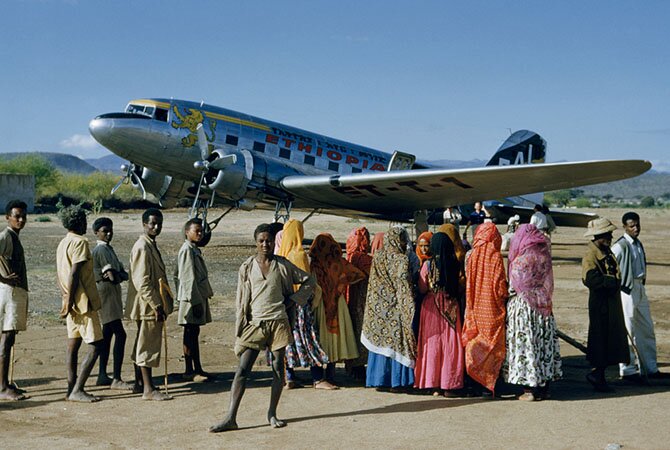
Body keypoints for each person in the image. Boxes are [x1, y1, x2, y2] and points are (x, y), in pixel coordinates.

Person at [209, 223, 316, 432]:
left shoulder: (283, 265)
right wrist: (241, 326)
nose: (265, 244)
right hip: (255, 323)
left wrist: (294, 299)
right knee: (242, 370)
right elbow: (241, 300)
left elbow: (310, 280)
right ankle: (230, 417)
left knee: (278, 368)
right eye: (261, 241)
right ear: (255, 242)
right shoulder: (247, 267)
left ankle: (272, 413)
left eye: (268, 240)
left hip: (278, 323)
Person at [503, 224, 562, 401]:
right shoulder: (543, 258)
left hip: (523, 308)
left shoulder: (520, 261)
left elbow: (514, 287)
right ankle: (544, 387)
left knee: (525, 345)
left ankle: (528, 389)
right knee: (542, 343)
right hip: (542, 305)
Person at [611, 212, 669, 382]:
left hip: (639, 287)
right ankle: (628, 370)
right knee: (628, 329)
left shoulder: (638, 244)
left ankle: (650, 367)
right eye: (631, 226)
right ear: (625, 227)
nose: (635, 228)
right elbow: (611, 263)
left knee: (646, 328)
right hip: (626, 290)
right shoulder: (620, 246)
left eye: (637, 225)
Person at [56, 204, 104, 402]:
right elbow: (75, 272)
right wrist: (70, 298)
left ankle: (71, 387)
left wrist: (66, 298)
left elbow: (61, 273)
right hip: (81, 301)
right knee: (96, 346)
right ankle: (78, 389)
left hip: (70, 300)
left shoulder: (62, 243)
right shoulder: (81, 242)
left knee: (73, 345)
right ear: (79, 222)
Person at [277, 219, 330, 389]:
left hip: (285, 304)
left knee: (289, 340)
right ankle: (318, 378)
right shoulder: (298, 254)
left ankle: (290, 377)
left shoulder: (280, 254)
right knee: (309, 338)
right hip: (300, 304)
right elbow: (307, 282)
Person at [361, 226, 416, 390]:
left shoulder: (377, 256)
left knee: (381, 342)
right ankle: (397, 382)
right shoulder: (401, 260)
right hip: (396, 308)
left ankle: (378, 379)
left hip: (379, 307)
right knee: (397, 342)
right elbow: (403, 286)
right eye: (403, 238)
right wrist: (409, 308)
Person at [127, 208, 173, 401]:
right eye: (152, 223)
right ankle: (148, 388)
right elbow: (142, 281)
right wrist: (157, 305)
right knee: (147, 345)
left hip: (149, 303)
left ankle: (141, 384)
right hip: (147, 304)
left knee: (142, 342)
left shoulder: (150, 245)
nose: (156, 227)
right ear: (144, 224)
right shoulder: (142, 247)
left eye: (159, 223)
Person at [309, 233, 365, 387]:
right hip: (337, 305)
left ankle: (318, 376)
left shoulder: (314, 265)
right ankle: (331, 374)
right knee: (335, 339)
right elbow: (358, 274)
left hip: (319, 304)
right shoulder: (339, 264)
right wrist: (341, 286)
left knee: (319, 339)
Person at [414, 232, 465, 396]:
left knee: (433, 344)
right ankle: (449, 384)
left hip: (431, 307)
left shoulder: (428, 265)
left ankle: (433, 384)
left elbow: (422, 288)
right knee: (450, 345)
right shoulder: (455, 264)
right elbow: (460, 286)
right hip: (451, 306)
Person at [582, 218, 629, 392]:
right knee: (600, 340)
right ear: (598, 236)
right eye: (607, 234)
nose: (610, 236)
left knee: (610, 340)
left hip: (610, 304)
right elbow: (590, 279)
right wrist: (611, 282)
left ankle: (599, 375)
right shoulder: (591, 255)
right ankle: (597, 376)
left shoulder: (606, 251)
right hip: (601, 305)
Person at [462, 222, 508, 396]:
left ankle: (474, 382)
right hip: (491, 309)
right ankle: (488, 385)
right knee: (492, 346)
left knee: (476, 343)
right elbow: (499, 288)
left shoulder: (472, 255)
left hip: (474, 307)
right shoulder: (495, 256)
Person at [91, 217, 132, 390]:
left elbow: (122, 274)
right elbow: (116, 276)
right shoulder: (100, 251)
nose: (108, 233)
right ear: (96, 232)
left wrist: (118, 274)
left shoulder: (108, 249)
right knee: (120, 335)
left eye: (110, 230)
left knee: (107, 335)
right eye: (105, 230)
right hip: (106, 294)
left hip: (112, 294)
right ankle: (116, 377)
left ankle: (102, 374)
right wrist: (117, 274)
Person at [175, 218, 213, 382]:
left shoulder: (193, 249)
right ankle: (189, 370)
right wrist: (195, 301)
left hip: (196, 296)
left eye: (201, 231)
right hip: (191, 298)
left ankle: (197, 368)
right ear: (186, 231)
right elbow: (187, 278)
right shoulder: (187, 250)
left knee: (194, 332)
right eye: (196, 231)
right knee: (189, 332)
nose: (200, 234)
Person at [0, 200, 29, 401]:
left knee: (9, 338)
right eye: (17, 216)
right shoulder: (6, 236)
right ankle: (2, 387)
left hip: (14, 292)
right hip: (9, 293)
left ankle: (5, 383)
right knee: (6, 338)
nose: (20, 220)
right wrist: (2, 278)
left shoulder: (13, 237)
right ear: (7, 217)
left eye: (23, 216)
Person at [345, 226, 373, 380]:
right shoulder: (363, 259)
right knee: (361, 330)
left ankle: (353, 366)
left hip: (350, 298)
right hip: (363, 299)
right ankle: (359, 366)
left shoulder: (348, 256)